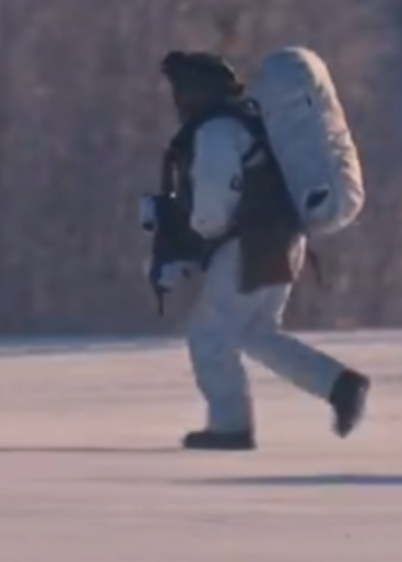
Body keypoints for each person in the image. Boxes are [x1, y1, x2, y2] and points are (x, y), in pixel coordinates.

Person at [152, 50, 370, 451]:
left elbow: (215, 202)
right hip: (283, 237)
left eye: (182, 88)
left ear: (199, 91)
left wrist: (197, 234)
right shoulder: (249, 123)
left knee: (209, 334)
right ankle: (339, 385)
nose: (178, 98)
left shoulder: (216, 131)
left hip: (247, 242)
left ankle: (229, 425)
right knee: (256, 332)